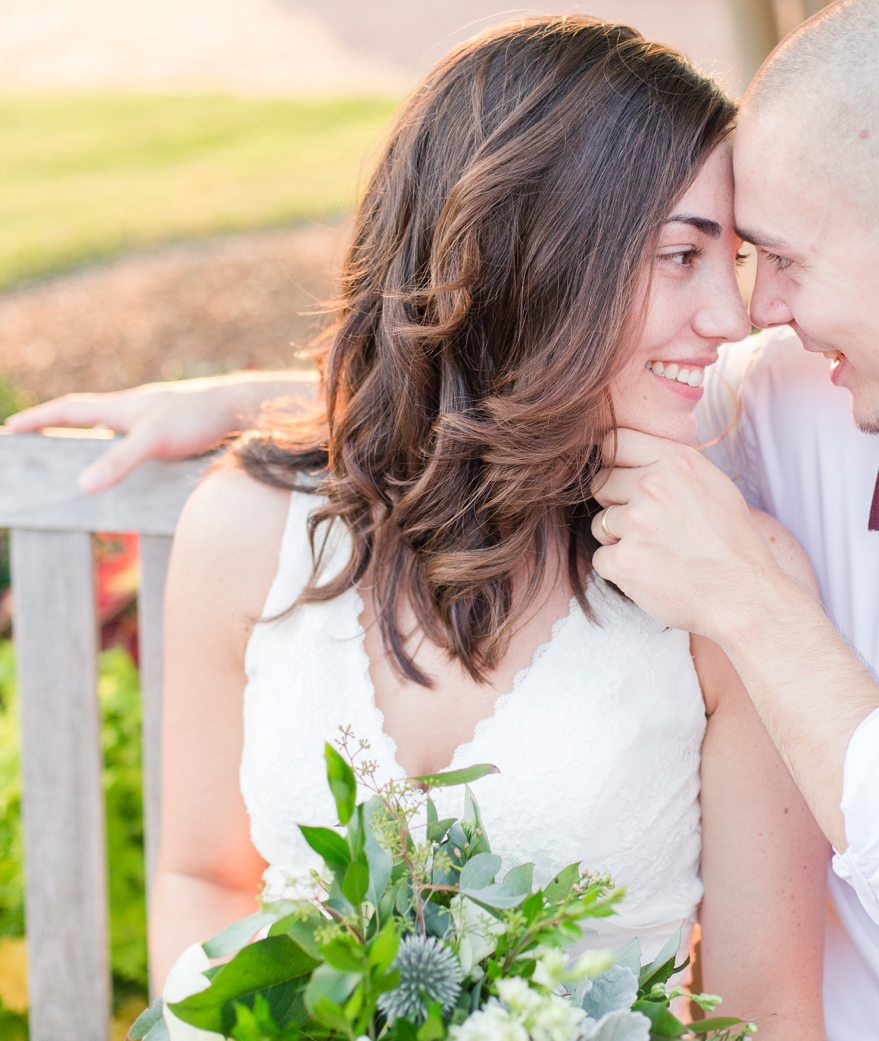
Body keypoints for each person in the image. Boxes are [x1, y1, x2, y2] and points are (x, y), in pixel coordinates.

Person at [9, 2, 879, 1038]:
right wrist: (270, 400)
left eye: (780, 260)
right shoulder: (806, 389)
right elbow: (544, 350)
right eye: (733, 261)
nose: (758, 312)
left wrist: (752, 599)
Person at [138, 18, 828, 1039]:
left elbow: (763, 1014)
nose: (732, 318)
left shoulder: (729, 586)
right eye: (684, 255)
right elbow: (202, 876)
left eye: (733, 259)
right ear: (525, 252)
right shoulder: (245, 531)